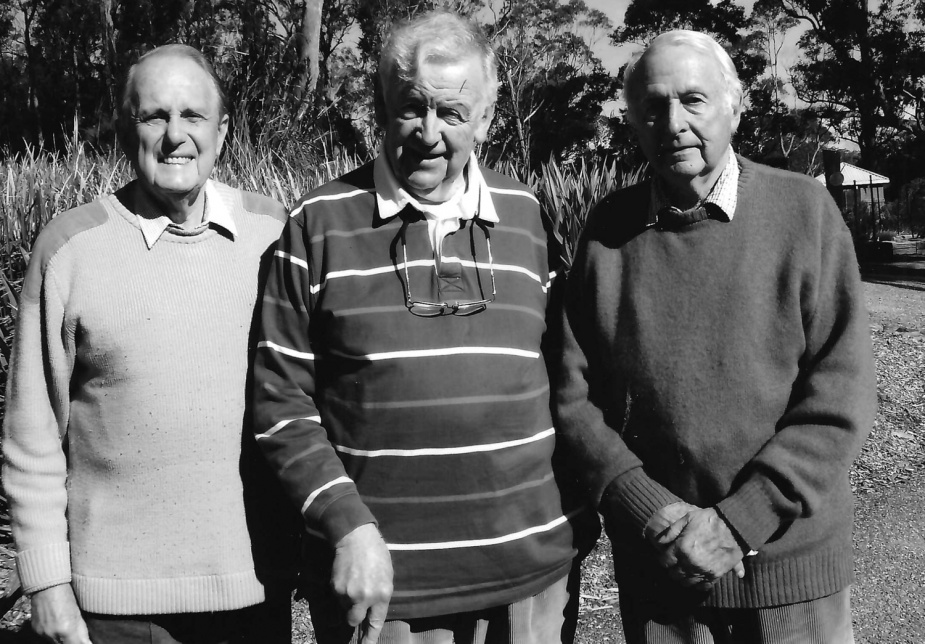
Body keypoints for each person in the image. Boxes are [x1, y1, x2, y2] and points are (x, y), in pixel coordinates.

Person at [252, 10, 590, 644]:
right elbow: (280, 402)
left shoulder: (526, 217)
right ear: (384, 107)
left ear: (486, 121)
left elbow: (567, 379)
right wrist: (346, 524)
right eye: (412, 107)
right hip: (383, 591)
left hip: (529, 585)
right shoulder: (318, 223)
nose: (429, 133)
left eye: (453, 113)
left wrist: (575, 517)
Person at [551, 30, 877, 644]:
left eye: (693, 100)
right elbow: (573, 397)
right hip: (661, 568)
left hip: (791, 574)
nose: (673, 123)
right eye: (652, 106)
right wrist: (646, 510)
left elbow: (842, 391)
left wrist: (738, 522)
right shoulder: (606, 232)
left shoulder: (804, 212)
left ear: (735, 104)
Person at [2, 44, 293, 644]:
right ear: (125, 126)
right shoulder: (71, 248)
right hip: (110, 606)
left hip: (251, 592)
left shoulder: (274, 234)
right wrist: (48, 587)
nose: (174, 136)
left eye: (192, 116)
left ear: (222, 129)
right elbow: (31, 437)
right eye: (154, 116)